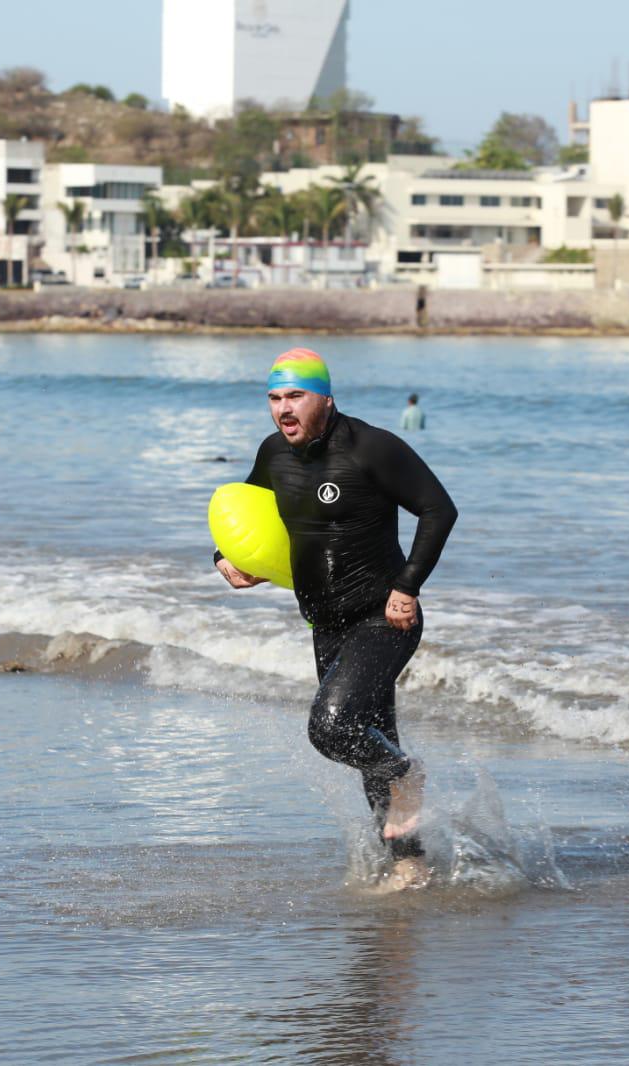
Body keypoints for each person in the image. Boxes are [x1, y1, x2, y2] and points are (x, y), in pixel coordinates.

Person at [216, 348, 458, 891]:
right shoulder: (273, 453)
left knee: (332, 728)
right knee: (372, 738)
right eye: (275, 399)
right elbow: (243, 517)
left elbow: (439, 509)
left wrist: (407, 586)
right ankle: (409, 863)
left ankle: (406, 774)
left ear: (325, 397)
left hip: (383, 618)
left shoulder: (372, 447)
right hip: (324, 624)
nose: (284, 409)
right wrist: (228, 559)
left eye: (295, 396)